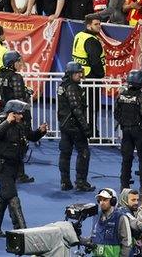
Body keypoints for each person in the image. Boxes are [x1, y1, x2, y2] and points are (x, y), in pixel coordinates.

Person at [0, 100, 48, 237]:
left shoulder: (20, 125)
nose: (22, 116)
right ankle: (22, 230)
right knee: (12, 196)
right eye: (19, 113)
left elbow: (31, 136)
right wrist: (6, 122)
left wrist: (40, 131)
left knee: (3, 196)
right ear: (11, 114)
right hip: (3, 167)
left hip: (15, 166)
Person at [0, 51, 35, 183]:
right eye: (18, 61)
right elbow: (19, 100)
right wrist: (26, 118)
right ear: (13, 63)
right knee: (19, 145)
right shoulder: (16, 77)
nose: (20, 64)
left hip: (1, 115)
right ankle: (19, 174)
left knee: (1, 144)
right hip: (15, 116)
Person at [58, 61, 94, 192]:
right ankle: (81, 182)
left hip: (64, 125)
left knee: (65, 153)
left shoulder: (62, 86)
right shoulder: (72, 88)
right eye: (78, 73)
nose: (80, 75)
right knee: (84, 152)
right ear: (72, 73)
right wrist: (85, 127)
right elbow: (76, 109)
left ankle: (65, 182)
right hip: (75, 126)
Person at [115, 69, 142, 190]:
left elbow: (116, 113)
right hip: (139, 131)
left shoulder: (121, 95)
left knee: (126, 158)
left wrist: (124, 123)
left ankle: (124, 185)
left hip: (126, 131)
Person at [89, 188, 133, 257]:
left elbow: (127, 242)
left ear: (113, 201)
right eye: (100, 200)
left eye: (105, 200)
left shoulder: (121, 218)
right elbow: (93, 236)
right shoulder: (96, 216)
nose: (101, 203)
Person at [72, 14, 106, 78]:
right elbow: (95, 60)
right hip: (91, 76)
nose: (99, 26)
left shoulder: (79, 35)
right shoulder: (91, 40)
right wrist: (101, 74)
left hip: (80, 74)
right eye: (96, 24)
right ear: (88, 26)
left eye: (99, 24)